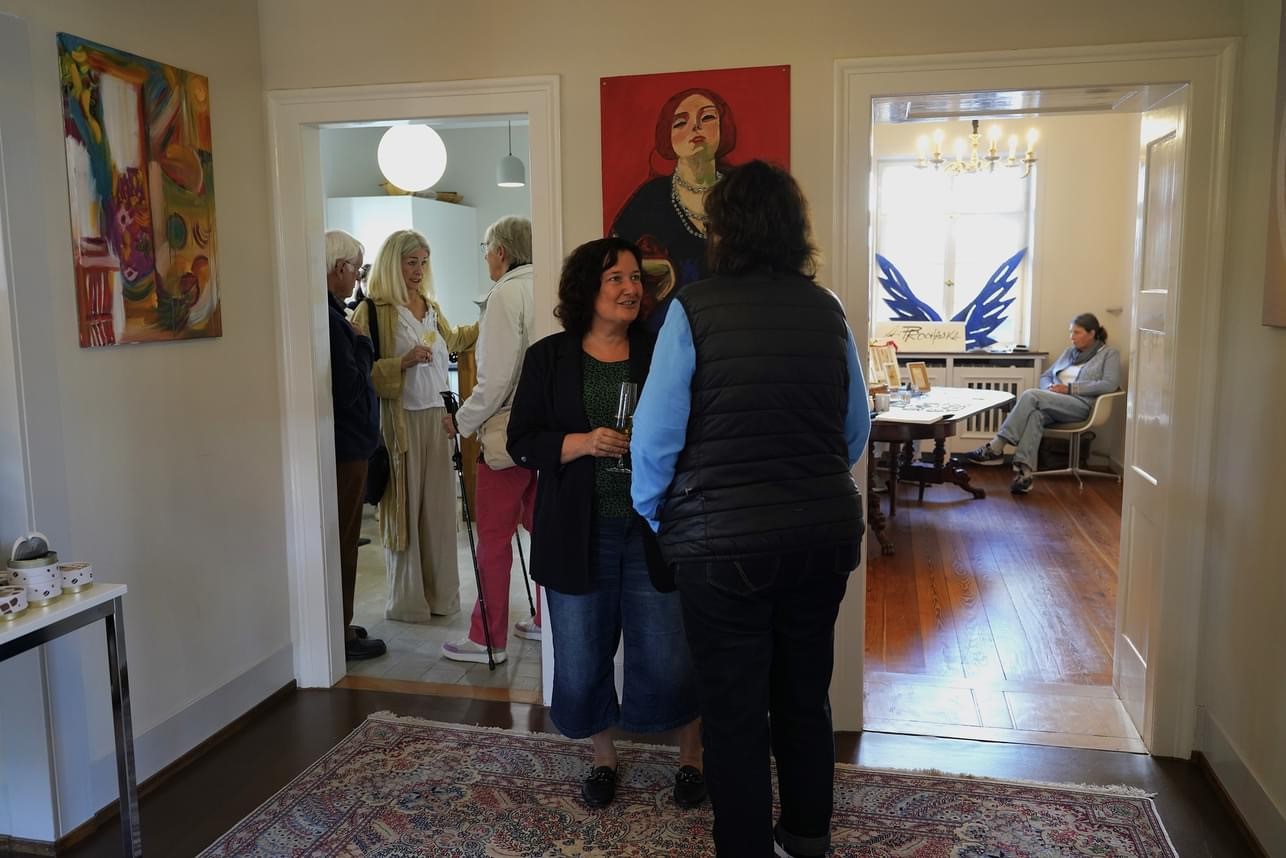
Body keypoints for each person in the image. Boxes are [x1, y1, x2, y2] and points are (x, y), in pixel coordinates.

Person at [631, 161, 870, 858]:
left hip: (720, 547)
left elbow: (655, 442)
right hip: (821, 538)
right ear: (795, 229)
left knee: (734, 713)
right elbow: (855, 429)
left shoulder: (693, 310)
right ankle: (806, 838)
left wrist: (658, 518)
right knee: (804, 697)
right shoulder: (826, 309)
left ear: (721, 229)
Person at [506, 237, 706, 812]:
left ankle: (692, 757)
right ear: (586, 289)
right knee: (579, 660)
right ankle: (603, 757)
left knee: (669, 656)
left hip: (652, 531)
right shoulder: (548, 357)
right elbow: (522, 441)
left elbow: (692, 431)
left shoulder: (662, 352)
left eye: (635, 278)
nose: (630, 288)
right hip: (577, 533)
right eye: (615, 277)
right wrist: (582, 443)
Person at [351, 230, 478, 622]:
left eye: (423, 262)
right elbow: (358, 373)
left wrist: (493, 316)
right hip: (401, 423)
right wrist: (402, 363)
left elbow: (454, 339)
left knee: (439, 512)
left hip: (438, 419)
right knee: (405, 512)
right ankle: (409, 603)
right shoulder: (372, 311)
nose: (419, 270)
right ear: (394, 263)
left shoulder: (431, 307)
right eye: (411, 262)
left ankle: (442, 596)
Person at [441, 216, 542, 664]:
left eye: (486, 248)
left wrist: (461, 421)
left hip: (507, 436)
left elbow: (496, 380)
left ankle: (487, 638)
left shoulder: (504, 294)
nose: (485, 257)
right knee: (543, 530)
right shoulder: (547, 285)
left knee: (494, 539)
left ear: (501, 251)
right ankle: (545, 620)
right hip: (546, 433)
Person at [611, 87, 736, 331]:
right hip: (667, 329)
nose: (695, 128)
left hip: (730, 328)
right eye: (680, 122)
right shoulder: (651, 196)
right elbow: (610, 262)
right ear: (667, 136)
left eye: (707, 117)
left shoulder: (742, 191)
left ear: (724, 127)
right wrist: (661, 267)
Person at [961, 312, 1121, 494]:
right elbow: (1046, 376)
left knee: (1031, 395)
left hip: (1082, 406)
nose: (1072, 337)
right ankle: (1025, 475)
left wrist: (1070, 389)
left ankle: (996, 446)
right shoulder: (1069, 353)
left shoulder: (1109, 354)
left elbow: (1109, 384)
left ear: (1092, 333)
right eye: (1070, 332)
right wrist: (1050, 389)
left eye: (1077, 332)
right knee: (1035, 415)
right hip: (1055, 402)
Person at [324, 229, 386, 661]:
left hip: (346, 443)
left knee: (344, 537)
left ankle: (339, 622)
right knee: (343, 540)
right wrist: (363, 344)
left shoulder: (330, 314)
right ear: (340, 268)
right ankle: (340, 632)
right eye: (357, 269)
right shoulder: (333, 321)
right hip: (346, 447)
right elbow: (348, 386)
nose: (358, 277)